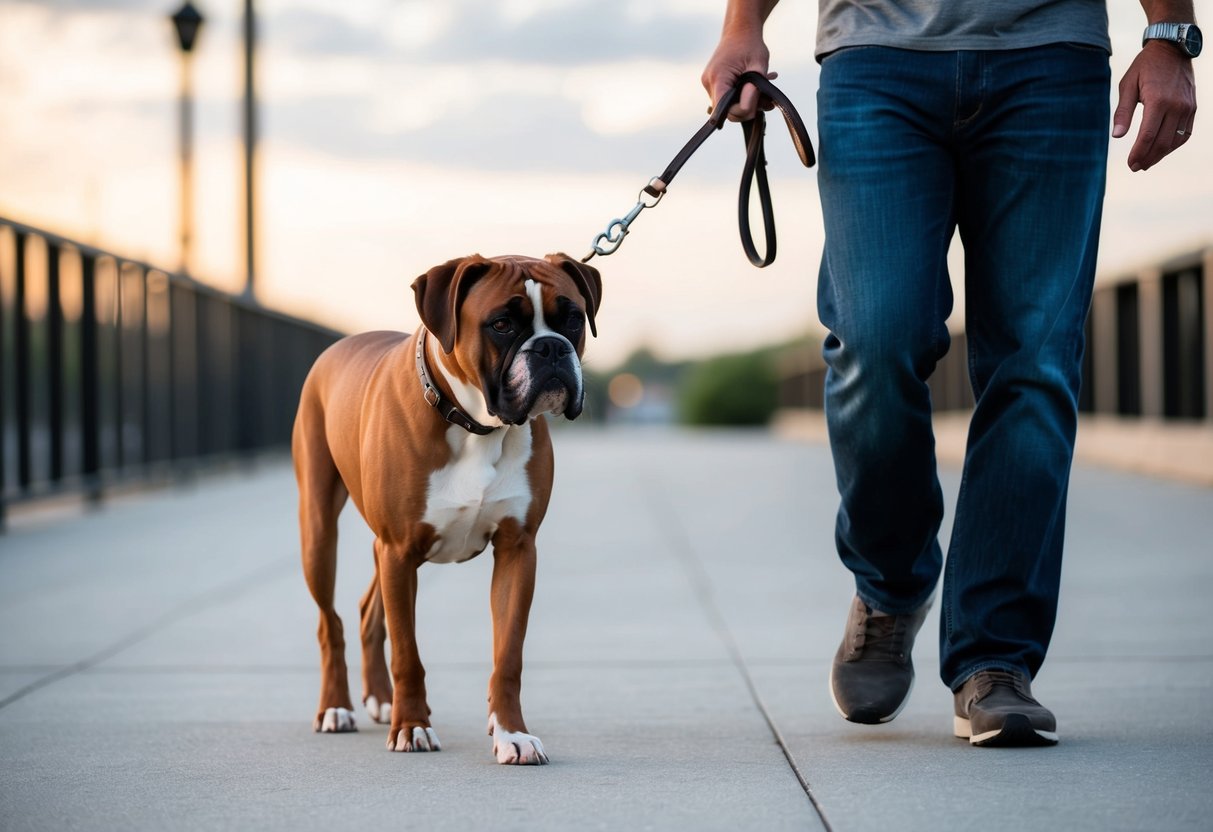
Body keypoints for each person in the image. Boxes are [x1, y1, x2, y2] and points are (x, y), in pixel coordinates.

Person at [702, 1, 1198, 746]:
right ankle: (890, 582)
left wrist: (1168, 35)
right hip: (875, 58)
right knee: (875, 338)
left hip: (1049, 55)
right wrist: (742, 25)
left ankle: (994, 659)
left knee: (1034, 362)